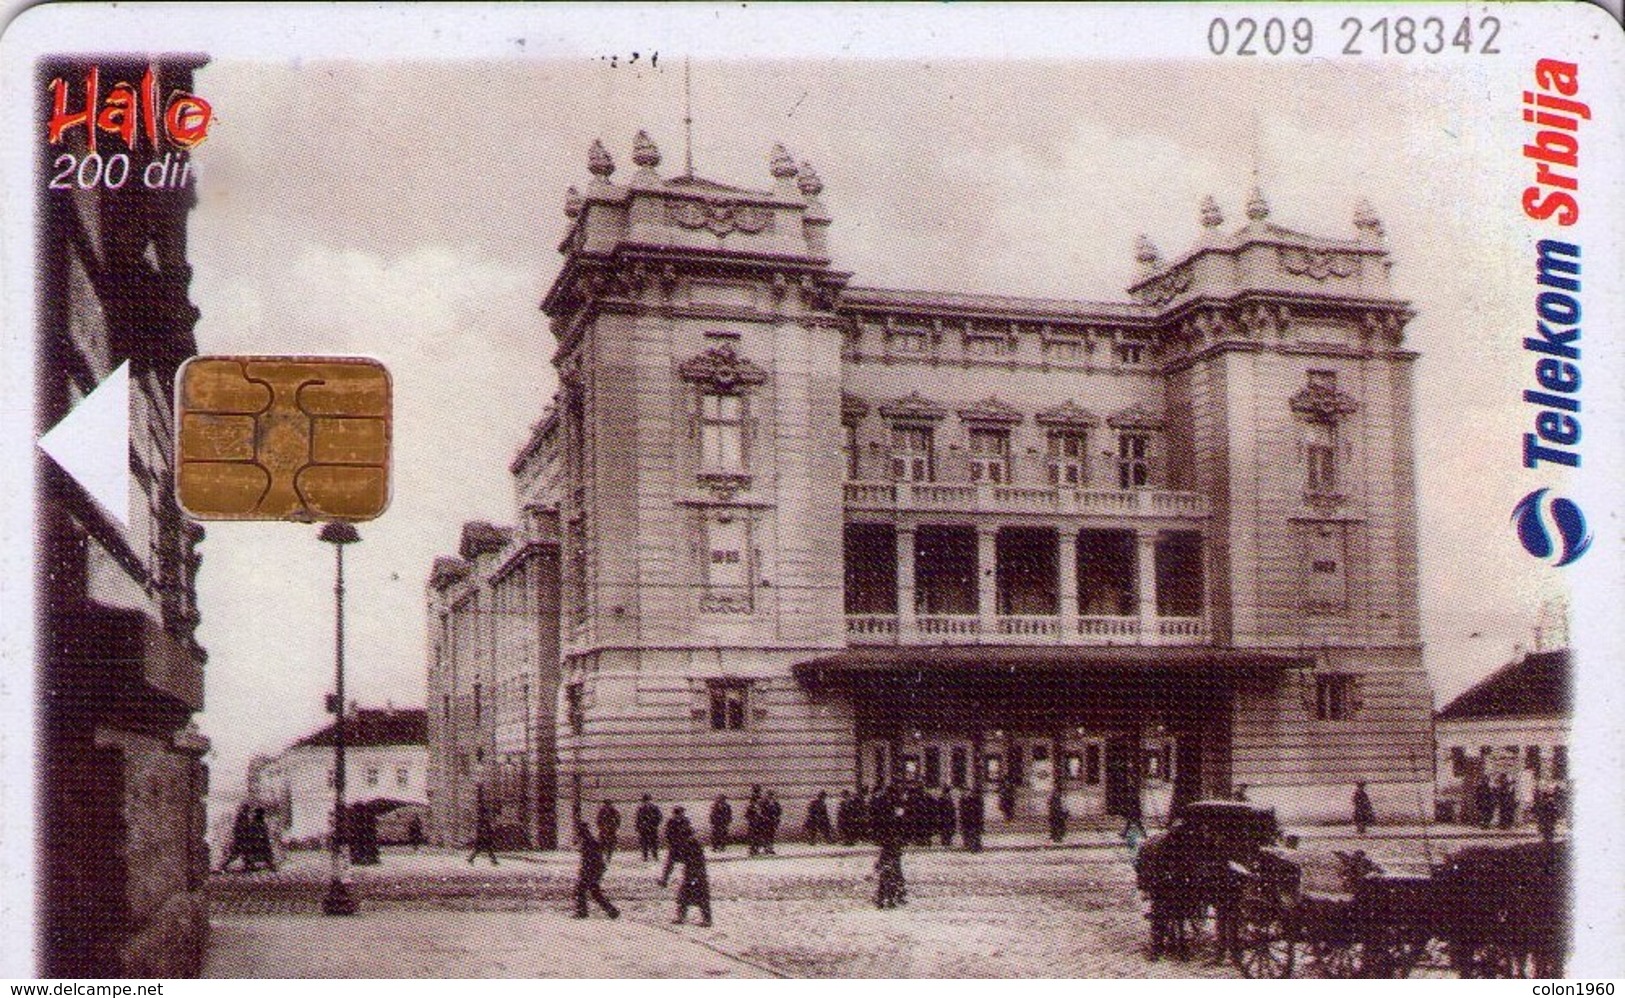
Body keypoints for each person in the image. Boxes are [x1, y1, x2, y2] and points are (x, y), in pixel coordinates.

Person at [659, 826, 713, 926]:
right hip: (690, 873)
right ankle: (681, 917)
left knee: (701, 896)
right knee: (684, 895)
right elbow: (670, 863)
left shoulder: (695, 845)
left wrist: (695, 877)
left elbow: (699, 862)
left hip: (698, 873)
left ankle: (707, 920)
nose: (687, 839)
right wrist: (664, 878)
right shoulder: (677, 846)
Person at [572, 821, 619, 919]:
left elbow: (590, 859)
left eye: (577, 831)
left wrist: (585, 872)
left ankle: (582, 912)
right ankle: (612, 911)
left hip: (591, 870)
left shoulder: (587, 841)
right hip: (595, 870)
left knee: (580, 891)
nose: (576, 833)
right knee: (595, 892)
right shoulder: (588, 840)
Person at [873, 792, 907, 909]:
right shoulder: (894, 818)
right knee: (892, 873)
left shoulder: (885, 816)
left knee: (888, 873)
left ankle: (884, 899)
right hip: (891, 848)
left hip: (889, 847)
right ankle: (890, 898)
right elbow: (899, 830)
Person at [635, 794, 662, 861]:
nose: (646, 802)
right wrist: (639, 827)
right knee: (644, 843)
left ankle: (655, 856)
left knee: (654, 842)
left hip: (652, 828)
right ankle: (645, 856)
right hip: (644, 829)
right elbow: (638, 818)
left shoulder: (655, 808)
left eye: (648, 800)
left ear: (650, 800)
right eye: (645, 801)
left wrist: (654, 823)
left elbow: (659, 817)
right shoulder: (641, 809)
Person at [596, 799, 622, 865]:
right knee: (608, 844)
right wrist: (615, 827)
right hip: (609, 830)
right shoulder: (612, 810)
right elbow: (618, 819)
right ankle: (608, 857)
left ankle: (605, 857)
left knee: (605, 844)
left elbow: (598, 820)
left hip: (606, 830)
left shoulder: (603, 811)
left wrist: (601, 827)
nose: (607, 805)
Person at [959, 784, 984, 852]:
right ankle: (969, 845)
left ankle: (975, 846)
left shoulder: (976, 799)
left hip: (974, 820)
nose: (966, 793)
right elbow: (961, 811)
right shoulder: (963, 800)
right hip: (966, 820)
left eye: (967, 791)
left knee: (975, 833)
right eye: (964, 791)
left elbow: (980, 811)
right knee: (967, 833)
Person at [745, 786, 765, 856]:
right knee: (755, 836)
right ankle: (753, 850)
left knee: (756, 836)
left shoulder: (759, 801)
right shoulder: (753, 802)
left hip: (757, 822)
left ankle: (754, 849)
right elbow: (747, 814)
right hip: (755, 822)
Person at [762, 789, 782, 854]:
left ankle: (770, 848)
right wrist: (765, 818)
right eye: (770, 795)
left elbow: (779, 812)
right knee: (766, 835)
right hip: (766, 822)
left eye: (772, 795)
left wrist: (777, 819)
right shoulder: (764, 803)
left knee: (771, 835)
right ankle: (766, 848)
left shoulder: (776, 804)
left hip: (773, 822)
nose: (771, 796)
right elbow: (762, 812)